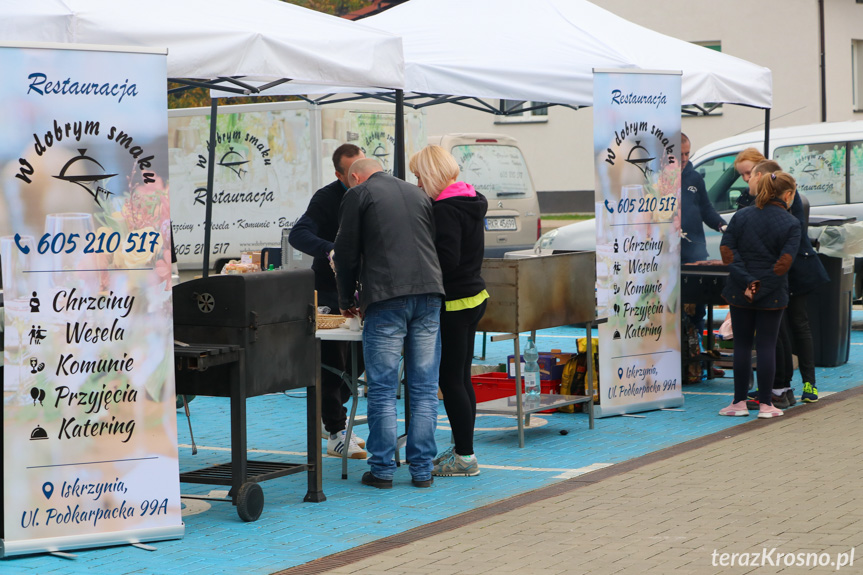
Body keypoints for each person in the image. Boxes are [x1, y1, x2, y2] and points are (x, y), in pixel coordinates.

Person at [334, 158, 444, 489]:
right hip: (429, 294)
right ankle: (422, 469)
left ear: (354, 176)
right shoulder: (418, 193)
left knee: (382, 388)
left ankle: (382, 470)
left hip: (386, 296)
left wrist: (346, 300)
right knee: (424, 387)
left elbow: (345, 251)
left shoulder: (359, 194)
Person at [409, 145, 488, 478]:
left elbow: (447, 260)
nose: (416, 184)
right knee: (461, 377)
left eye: (417, 177)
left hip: (454, 303)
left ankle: (466, 458)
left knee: (450, 380)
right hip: (475, 296)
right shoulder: (471, 199)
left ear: (430, 174)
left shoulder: (446, 209)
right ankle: (462, 449)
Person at [288, 143, 367, 459]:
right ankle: (335, 430)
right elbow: (298, 234)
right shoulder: (326, 198)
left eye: (362, 167)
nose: (359, 176)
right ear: (339, 173)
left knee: (359, 359)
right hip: (330, 290)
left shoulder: (375, 192)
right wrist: (332, 248)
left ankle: (335, 413)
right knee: (334, 361)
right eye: (351, 172)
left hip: (366, 291)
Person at [736, 158, 829, 408]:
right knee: (780, 330)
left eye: (750, 174)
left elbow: (787, 234)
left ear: (763, 176)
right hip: (781, 270)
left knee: (797, 324)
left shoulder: (785, 200)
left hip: (795, 269)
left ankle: (805, 383)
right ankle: (782, 385)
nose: (747, 179)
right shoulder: (753, 201)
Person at [718, 171, 801, 419]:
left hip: (740, 290)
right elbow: (784, 263)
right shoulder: (791, 223)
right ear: (787, 194)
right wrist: (760, 286)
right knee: (766, 346)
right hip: (772, 293)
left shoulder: (741, 215)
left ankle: (738, 402)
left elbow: (727, 250)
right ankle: (766, 404)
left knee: (742, 345)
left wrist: (747, 282)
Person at [680, 133, 728, 377]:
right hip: (668, 256)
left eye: (688, 153)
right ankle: (680, 361)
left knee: (698, 309)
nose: (685, 159)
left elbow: (706, 209)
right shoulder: (656, 181)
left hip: (694, 250)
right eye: (680, 155)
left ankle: (700, 360)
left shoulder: (694, 177)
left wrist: (722, 225)